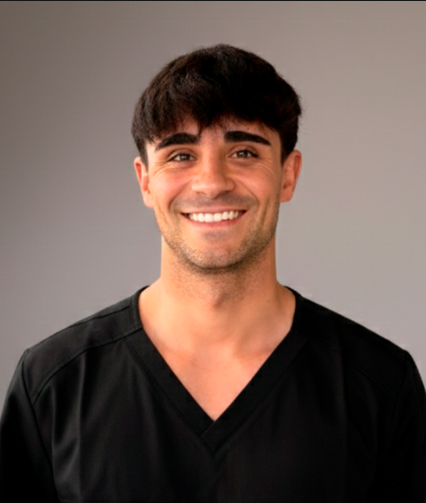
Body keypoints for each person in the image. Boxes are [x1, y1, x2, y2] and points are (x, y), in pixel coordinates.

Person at [0, 44, 425, 502]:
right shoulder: (53, 383)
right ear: (145, 180)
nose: (212, 182)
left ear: (288, 174)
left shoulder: (380, 384)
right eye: (181, 155)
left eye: (243, 151)